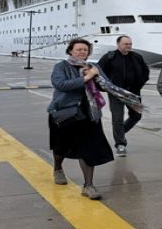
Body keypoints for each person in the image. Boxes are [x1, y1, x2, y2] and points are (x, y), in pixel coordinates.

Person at [47, 38, 114, 200]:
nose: (83, 52)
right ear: (70, 51)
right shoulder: (61, 67)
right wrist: (86, 78)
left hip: (89, 113)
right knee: (61, 145)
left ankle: (88, 185)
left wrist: (98, 79)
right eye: (79, 49)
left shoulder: (93, 67)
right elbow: (61, 85)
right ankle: (58, 168)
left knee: (88, 149)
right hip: (66, 112)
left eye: (85, 50)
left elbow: (106, 85)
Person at [97, 36, 150, 157]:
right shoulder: (109, 57)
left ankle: (121, 132)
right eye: (126, 44)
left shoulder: (137, 57)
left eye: (130, 44)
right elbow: (99, 73)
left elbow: (145, 72)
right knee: (117, 118)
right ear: (118, 44)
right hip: (116, 93)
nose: (128, 46)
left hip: (133, 92)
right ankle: (120, 144)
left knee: (137, 115)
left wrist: (139, 84)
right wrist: (106, 87)